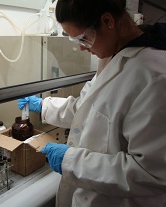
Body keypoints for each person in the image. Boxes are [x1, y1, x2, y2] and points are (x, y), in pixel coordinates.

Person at [18, 0, 166, 206]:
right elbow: (85, 108)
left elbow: (151, 172)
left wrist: (71, 161)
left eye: (83, 38)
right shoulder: (113, 57)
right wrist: (43, 106)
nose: (80, 48)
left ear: (107, 21)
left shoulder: (155, 75)